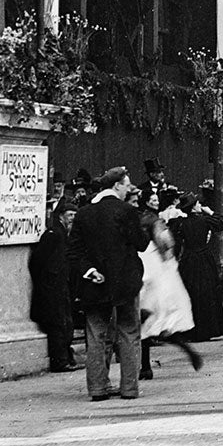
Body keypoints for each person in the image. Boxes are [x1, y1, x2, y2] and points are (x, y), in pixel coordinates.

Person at [72, 166, 149, 395]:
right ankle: (129, 386)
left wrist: (90, 270)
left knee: (96, 334)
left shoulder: (84, 213)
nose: (128, 189)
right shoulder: (126, 211)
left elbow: (74, 250)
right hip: (125, 281)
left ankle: (98, 387)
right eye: (126, 185)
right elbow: (141, 244)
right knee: (129, 331)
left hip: (95, 283)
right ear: (116, 186)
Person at [138, 209, 203, 373]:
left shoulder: (146, 249)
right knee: (164, 330)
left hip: (151, 294)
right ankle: (188, 351)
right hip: (167, 292)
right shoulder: (162, 247)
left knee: (144, 331)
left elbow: (147, 275)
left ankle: (145, 367)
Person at [28, 191, 77, 372]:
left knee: (64, 323)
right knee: (57, 324)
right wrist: (47, 279)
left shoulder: (64, 234)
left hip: (61, 286)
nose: (72, 218)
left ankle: (65, 358)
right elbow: (37, 261)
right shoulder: (54, 234)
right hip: (52, 287)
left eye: (74, 215)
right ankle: (60, 361)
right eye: (70, 215)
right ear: (62, 216)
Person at [175, 186, 223, 342]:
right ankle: (208, 328)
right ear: (194, 206)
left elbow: (178, 243)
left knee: (190, 292)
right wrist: (210, 212)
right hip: (204, 258)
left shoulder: (181, 223)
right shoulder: (204, 220)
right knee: (207, 292)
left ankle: (191, 330)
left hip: (189, 258)